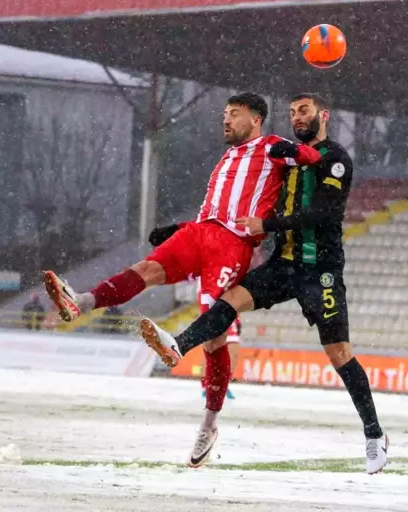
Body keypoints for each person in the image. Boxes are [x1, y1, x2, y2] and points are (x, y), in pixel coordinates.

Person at [43, 92, 323, 466]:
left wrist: (296, 150)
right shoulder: (226, 158)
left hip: (232, 243)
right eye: (224, 114)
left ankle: (209, 424)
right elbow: (217, 206)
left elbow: (313, 158)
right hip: (199, 232)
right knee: (146, 270)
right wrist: (177, 227)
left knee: (215, 332)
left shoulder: (272, 147)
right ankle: (83, 301)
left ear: (255, 120)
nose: (225, 120)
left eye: (234, 115)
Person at [140, 93, 388, 475]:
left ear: (323, 114)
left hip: (320, 269)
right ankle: (179, 345)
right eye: (290, 113)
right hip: (283, 264)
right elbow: (244, 207)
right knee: (229, 300)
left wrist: (268, 225)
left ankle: (374, 434)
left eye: (303, 110)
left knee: (339, 353)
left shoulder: (334, 159)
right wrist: (179, 230)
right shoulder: (285, 159)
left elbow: (324, 213)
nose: (296, 117)